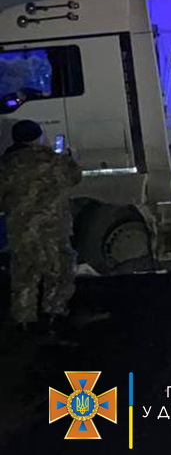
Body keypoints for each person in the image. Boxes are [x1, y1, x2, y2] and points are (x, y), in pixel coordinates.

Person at [0, 119, 81, 331]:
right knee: (59, 270)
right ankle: (54, 314)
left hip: (20, 230)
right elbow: (75, 177)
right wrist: (72, 157)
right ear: (38, 137)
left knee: (24, 273)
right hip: (53, 228)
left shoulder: (7, 165)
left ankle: (24, 320)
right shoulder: (54, 161)